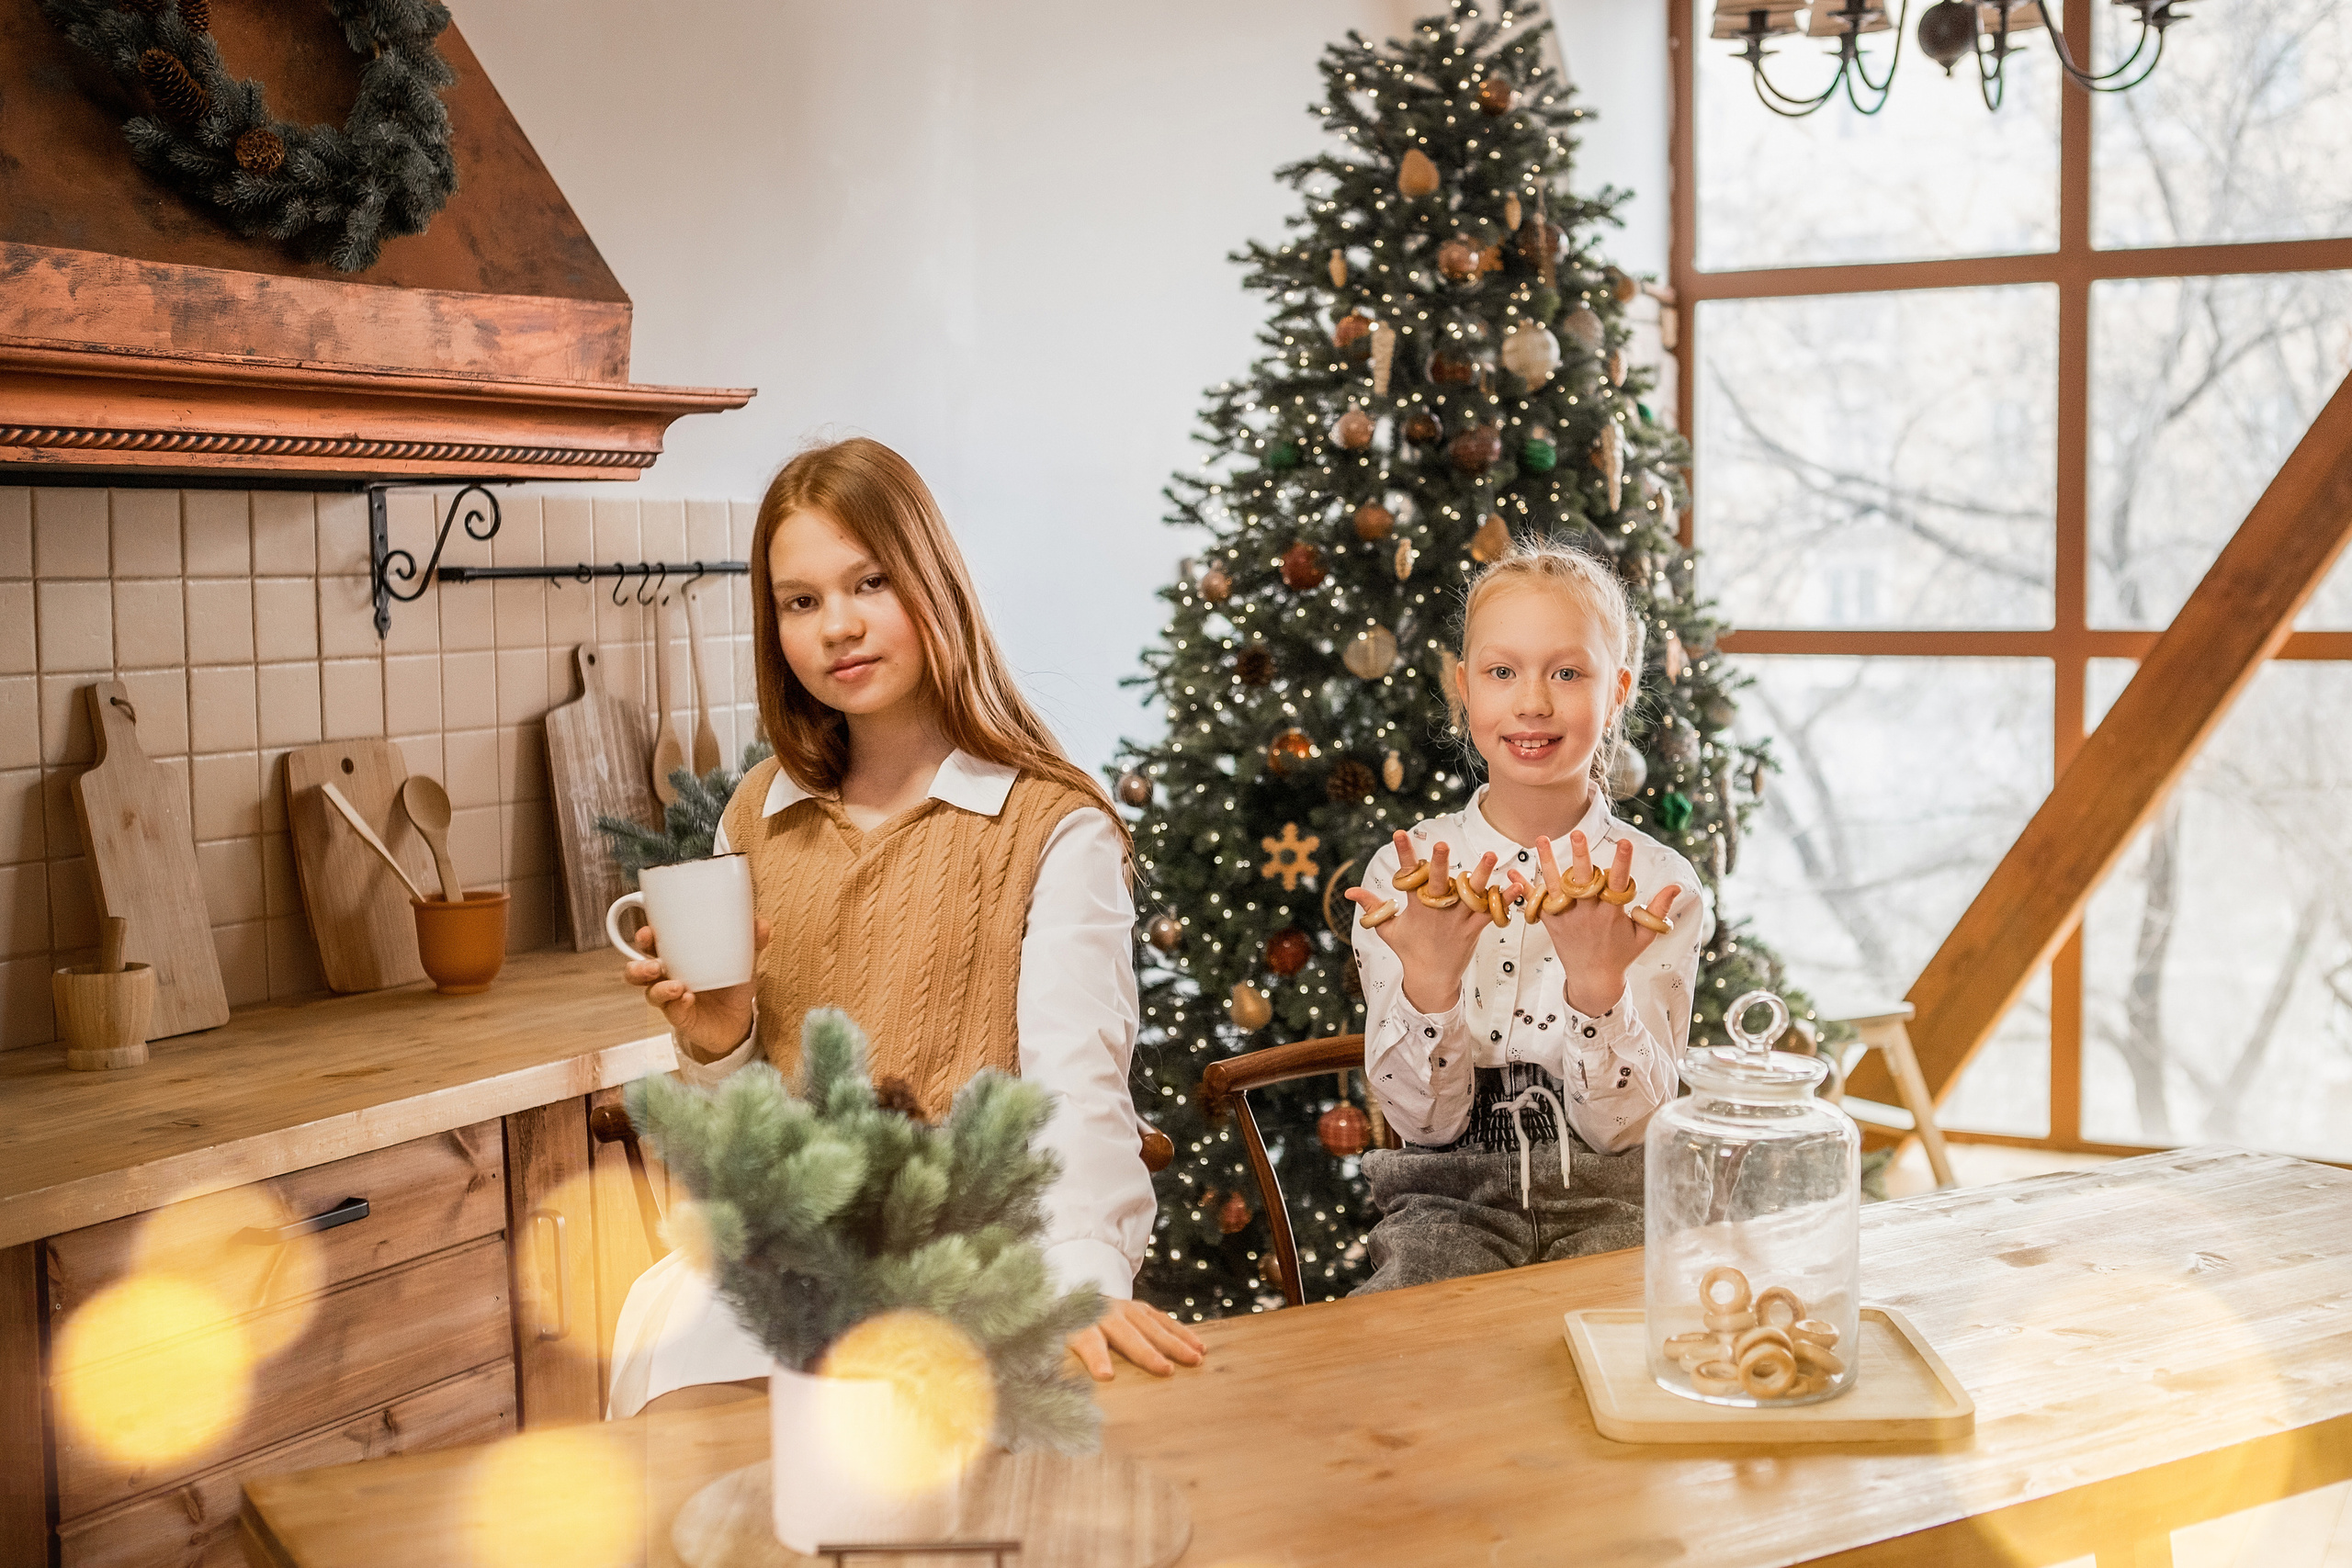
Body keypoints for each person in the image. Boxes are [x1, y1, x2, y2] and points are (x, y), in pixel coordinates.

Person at [606, 436, 1204, 1416]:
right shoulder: (755, 816)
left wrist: (1088, 1278)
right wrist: (717, 1046)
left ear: (931, 583)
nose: (836, 627)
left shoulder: (1052, 828)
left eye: (868, 582)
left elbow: (1079, 1091)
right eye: (800, 602)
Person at [1341, 541, 1713, 1293]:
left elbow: (1627, 1128)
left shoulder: (1660, 885)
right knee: (1414, 1342)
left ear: (1617, 693)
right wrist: (1432, 984)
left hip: (1616, 1195)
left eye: (1568, 672)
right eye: (1502, 671)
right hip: (1448, 1197)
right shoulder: (1407, 877)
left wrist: (1598, 989)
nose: (1533, 701)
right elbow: (1424, 1123)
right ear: (1464, 689)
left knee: (1625, 1332)